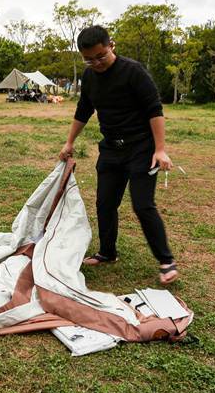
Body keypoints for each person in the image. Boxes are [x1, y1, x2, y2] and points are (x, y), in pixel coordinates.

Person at [58, 25, 178, 284]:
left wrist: (159, 149)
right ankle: (107, 253)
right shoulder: (89, 78)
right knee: (104, 203)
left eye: (101, 56)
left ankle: (167, 261)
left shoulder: (133, 72)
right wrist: (69, 142)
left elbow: (154, 110)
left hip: (142, 149)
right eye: (89, 59)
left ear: (111, 45)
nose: (96, 63)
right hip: (111, 148)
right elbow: (83, 111)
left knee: (142, 205)